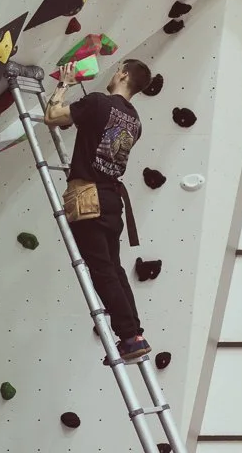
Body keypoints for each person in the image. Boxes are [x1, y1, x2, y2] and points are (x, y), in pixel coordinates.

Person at [44, 58, 152, 361]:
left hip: (87, 197)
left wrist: (63, 85)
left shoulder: (98, 103)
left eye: (118, 69)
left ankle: (129, 336)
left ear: (124, 75)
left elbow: (52, 116)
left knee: (104, 272)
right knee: (114, 270)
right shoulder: (135, 121)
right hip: (111, 200)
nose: (114, 72)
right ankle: (135, 334)